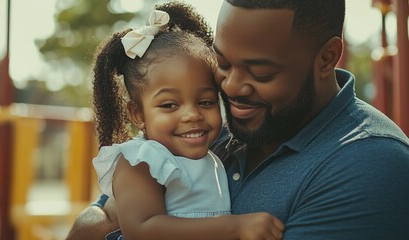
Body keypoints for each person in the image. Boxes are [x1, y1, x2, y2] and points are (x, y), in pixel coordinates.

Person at [67, 0, 409, 239]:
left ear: (326, 58)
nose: (230, 87)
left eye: (260, 72)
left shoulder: (369, 164)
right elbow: (101, 219)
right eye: (224, 64)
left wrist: (108, 226)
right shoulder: (205, 130)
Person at [76, 2, 284, 240]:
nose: (192, 115)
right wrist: (234, 227)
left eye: (205, 102)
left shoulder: (212, 158)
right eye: (169, 105)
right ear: (137, 114)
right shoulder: (143, 160)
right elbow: (141, 229)